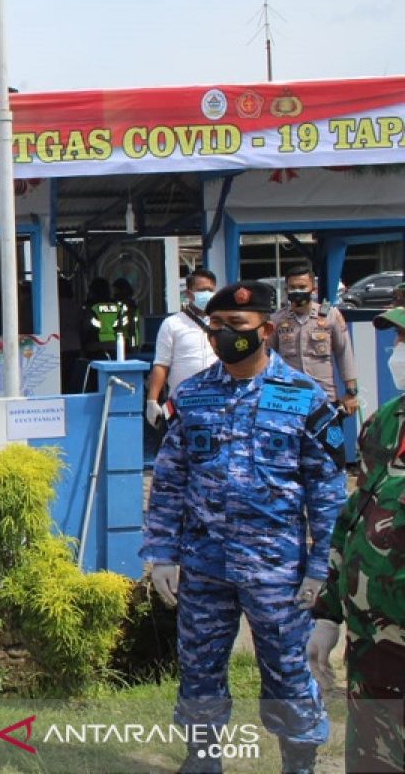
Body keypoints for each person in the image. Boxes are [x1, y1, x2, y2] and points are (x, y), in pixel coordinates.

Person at [141, 280, 347, 774]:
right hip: (204, 567)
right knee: (200, 670)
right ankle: (202, 760)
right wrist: (163, 553)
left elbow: (328, 491)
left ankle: (299, 762)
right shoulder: (191, 398)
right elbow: (169, 481)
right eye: (216, 328)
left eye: (236, 326)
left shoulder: (305, 398)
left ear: (266, 330)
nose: (224, 336)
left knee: (288, 673)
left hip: (279, 572)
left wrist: (322, 568)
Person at [307, 305, 405, 774]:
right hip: (374, 649)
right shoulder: (387, 422)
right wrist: (328, 613)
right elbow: (355, 513)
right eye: (399, 340)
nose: (397, 352)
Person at [268, 264, 359, 465]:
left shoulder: (330, 316)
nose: (297, 291)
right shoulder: (276, 321)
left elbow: (344, 353)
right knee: (289, 457)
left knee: (329, 455)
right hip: (288, 399)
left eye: (302, 286)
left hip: (324, 399)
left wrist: (351, 393)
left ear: (313, 289)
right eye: (292, 287)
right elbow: (268, 361)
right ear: (286, 290)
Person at [145, 268, 218, 427]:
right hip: (182, 403)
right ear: (188, 294)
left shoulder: (222, 322)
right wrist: (152, 400)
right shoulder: (172, 324)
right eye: (201, 290)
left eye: (210, 290)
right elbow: (161, 365)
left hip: (217, 401)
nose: (207, 294)